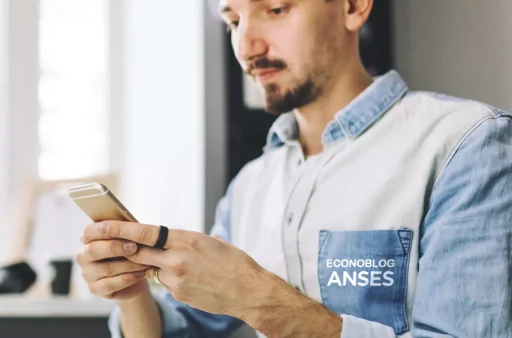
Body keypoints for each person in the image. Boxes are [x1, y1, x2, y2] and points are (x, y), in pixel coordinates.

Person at [75, 0, 512, 337]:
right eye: (233, 21)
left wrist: (257, 298)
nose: (247, 48)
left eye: (276, 9)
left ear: (353, 6)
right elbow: (186, 328)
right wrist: (131, 294)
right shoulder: (251, 185)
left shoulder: (467, 143)